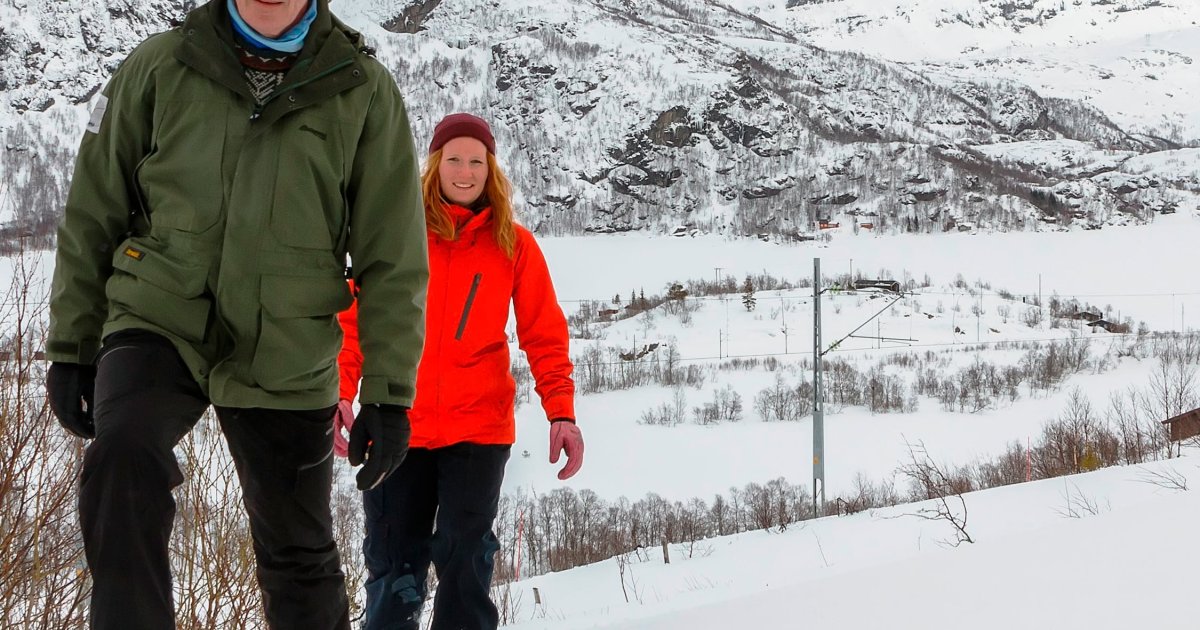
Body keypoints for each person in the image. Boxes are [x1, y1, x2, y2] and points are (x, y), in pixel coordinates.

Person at [43, 1, 428, 628]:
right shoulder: (160, 64)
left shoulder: (363, 88)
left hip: (288, 340)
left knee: (297, 552)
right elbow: (95, 204)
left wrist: (389, 394)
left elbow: (394, 255)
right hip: (159, 313)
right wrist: (72, 345)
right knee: (121, 462)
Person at [334, 112, 585, 630]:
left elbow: (543, 333)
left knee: (465, 562)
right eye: (454, 159)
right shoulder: (395, 236)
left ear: (490, 169)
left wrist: (561, 411)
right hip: (397, 421)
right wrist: (339, 392)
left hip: (478, 430)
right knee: (393, 565)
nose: (465, 171)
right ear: (434, 165)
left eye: (476, 160)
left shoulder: (513, 244)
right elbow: (356, 323)